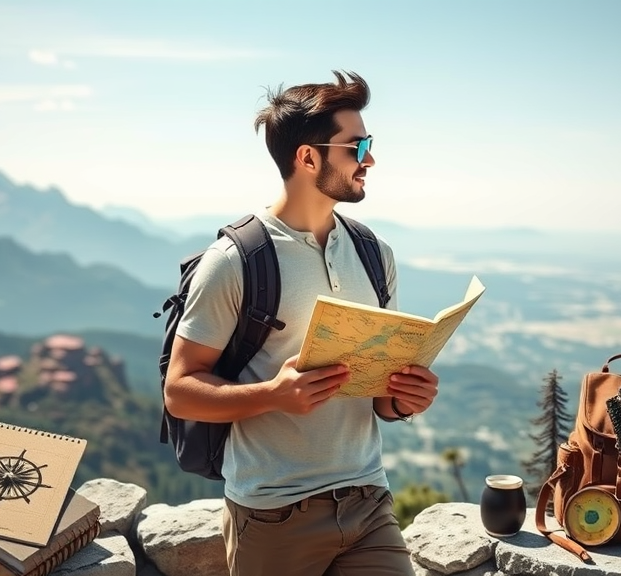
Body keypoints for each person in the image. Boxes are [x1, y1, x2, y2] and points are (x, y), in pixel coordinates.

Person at [163, 70, 439, 576]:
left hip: (368, 499)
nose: (371, 159)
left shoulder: (375, 254)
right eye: (357, 146)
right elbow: (179, 391)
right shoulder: (235, 260)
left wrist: (404, 398)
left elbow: (381, 401)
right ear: (308, 157)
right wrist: (274, 394)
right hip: (272, 513)